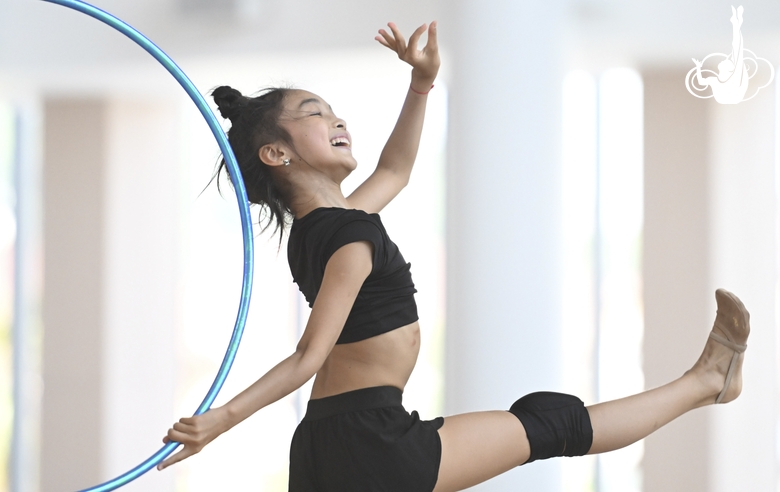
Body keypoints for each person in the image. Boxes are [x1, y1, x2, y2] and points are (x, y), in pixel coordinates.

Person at [157, 21, 751, 491]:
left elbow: (397, 169)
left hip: (340, 438)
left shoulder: (327, 227)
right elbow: (308, 356)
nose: (335, 117)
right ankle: (707, 382)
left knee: (543, 421)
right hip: (368, 441)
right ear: (276, 155)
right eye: (312, 113)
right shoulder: (345, 236)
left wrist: (420, 85)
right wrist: (220, 423)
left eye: (332, 109)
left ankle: (706, 381)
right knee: (553, 424)